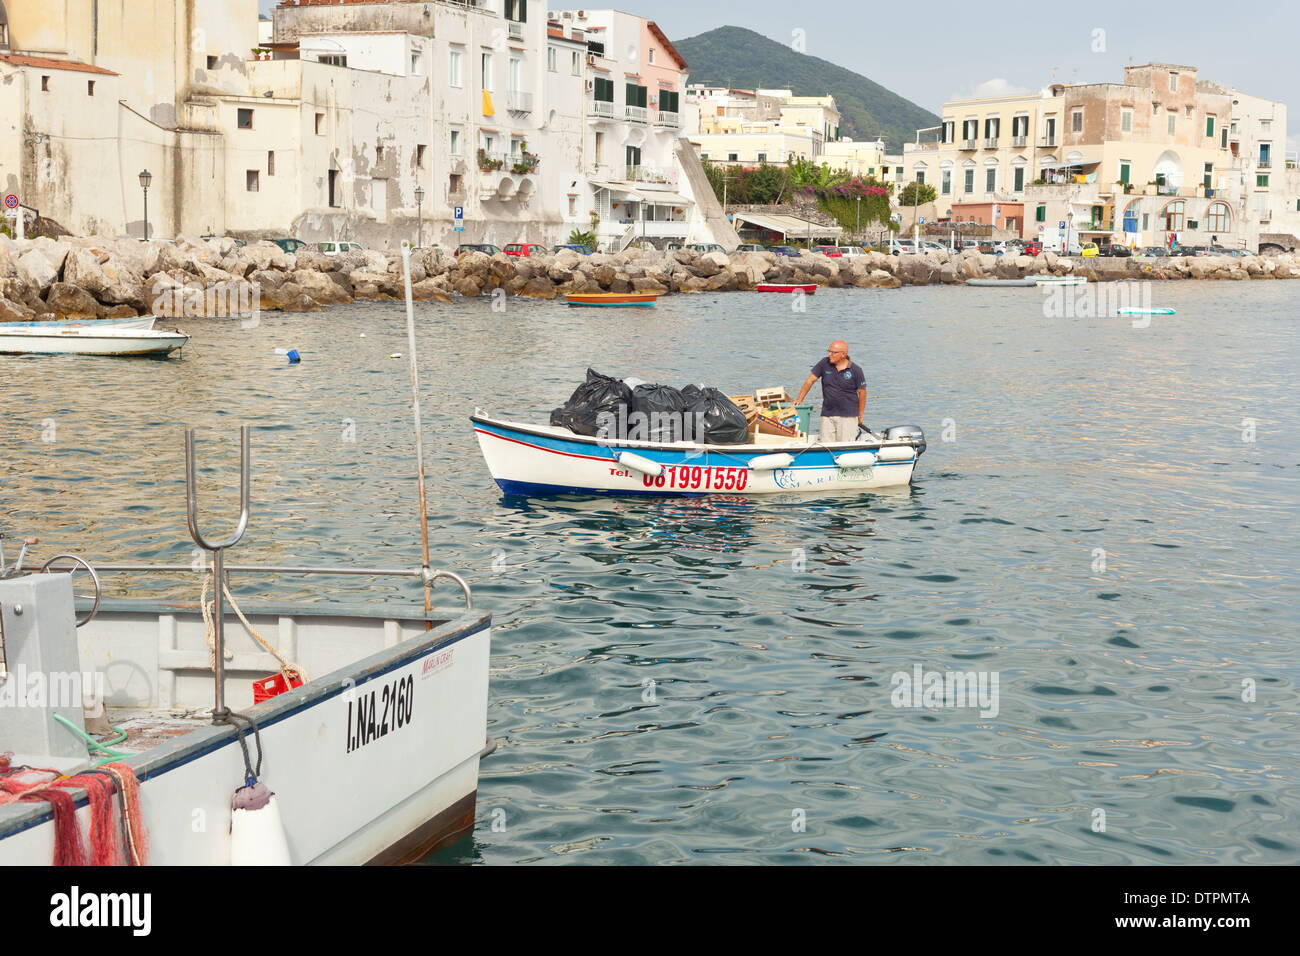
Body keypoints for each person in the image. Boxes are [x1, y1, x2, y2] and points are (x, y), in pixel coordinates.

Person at [795, 340, 867, 443]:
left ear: (843, 354)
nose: (830, 354)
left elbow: (862, 393)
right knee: (825, 446)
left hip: (848, 416)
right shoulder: (824, 363)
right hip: (827, 414)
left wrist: (860, 415)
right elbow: (810, 380)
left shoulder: (856, 370)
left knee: (845, 446)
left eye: (833, 352)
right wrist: (799, 399)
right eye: (829, 351)